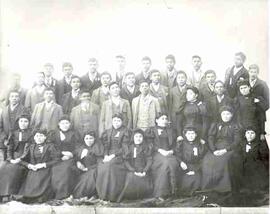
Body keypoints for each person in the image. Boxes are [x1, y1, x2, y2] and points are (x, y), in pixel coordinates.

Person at [201, 106, 241, 196]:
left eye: (228, 114)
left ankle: (223, 188)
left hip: (230, 148)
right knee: (207, 159)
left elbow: (237, 141)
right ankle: (209, 187)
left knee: (224, 160)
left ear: (232, 115)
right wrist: (213, 150)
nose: (225, 116)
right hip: (216, 148)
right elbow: (210, 137)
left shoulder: (236, 126)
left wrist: (225, 150)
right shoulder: (216, 125)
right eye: (223, 114)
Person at [96, 114, 131, 202]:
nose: (116, 123)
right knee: (102, 166)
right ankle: (102, 194)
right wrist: (105, 156)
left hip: (120, 155)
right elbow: (105, 146)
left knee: (110, 166)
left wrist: (112, 156)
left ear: (122, 122)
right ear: (112, 121)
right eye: (114, 120)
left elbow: (124, 148)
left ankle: (112, 195)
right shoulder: (108, 131)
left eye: (118, 121)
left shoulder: (126, 131)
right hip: (108, 155)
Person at [18, 129, 60, 203]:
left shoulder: (50, 146)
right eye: (37, 136)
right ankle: (29, 196)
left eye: (41, 136)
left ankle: (39, 196)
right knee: (31, 181)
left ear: (45, 137)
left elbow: (56, 160)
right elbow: (21, 160)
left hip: (45, 170)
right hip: (33, 170)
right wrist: (29, 165)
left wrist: (43, 165)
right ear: (34, 137)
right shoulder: (30, 147)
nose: (39, 138)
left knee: (41, 182)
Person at [145, 113, 180, 200]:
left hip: (169, 153)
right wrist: (160, 151)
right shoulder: (151, 130)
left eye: (165, 119)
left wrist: (172, 151)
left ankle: (173, 192)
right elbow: (150, 144)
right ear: (156, 120)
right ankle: (161, 193)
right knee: (166, 163)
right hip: (156, 153)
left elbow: (176, 145)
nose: (164, 121)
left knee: (173, 162)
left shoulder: (171, 130)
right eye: (162, 119)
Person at [0, 114, 32, 202]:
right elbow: (10, 148)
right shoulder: (14, 133)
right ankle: (1, 194)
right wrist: (10, 159)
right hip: (13, 158)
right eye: (21, 121)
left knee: (14, 170)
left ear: (29, 123)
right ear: (18, 122)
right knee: (3, 168)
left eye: (26, 121)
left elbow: (28, 149)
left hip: (24, 159)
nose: (23, 123)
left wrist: (20, 159)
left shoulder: (31, 133)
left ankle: (8, 193)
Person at [117, 128, 153, 202]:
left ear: (143, 138)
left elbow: (149, 159)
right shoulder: (130, 148)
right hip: (132, 169)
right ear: (133, 138)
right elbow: (126, 161)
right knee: (131, 179)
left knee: (145, 180)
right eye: (136, 137)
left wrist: (145, 170)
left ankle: (143, 196)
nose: (138, 139)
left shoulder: (146, 147)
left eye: (140, 137)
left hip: (143, 169)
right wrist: (132, 170)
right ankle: (131, 197)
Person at [49, 116, 79, 200]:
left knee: (66, 169)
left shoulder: (74, 134)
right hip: (57, 158)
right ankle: (56, 193)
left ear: (70, 124)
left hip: (70, 158)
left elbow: (78, 147)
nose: (65, 125)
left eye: (67, 123)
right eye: (62, 123)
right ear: (59, 124)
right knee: (55, 169)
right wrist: (61, 154)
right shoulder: (54, 133)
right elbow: (51, 147)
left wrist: (71, 154)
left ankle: (64, 194)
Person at [175, 127, 207, 196]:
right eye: (188, 134)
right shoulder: (181, 144)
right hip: (185, 166)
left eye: (193, 133)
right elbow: (177, 155)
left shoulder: (199, 144)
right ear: (185, 135)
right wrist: (181, 163)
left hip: (196, 167)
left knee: (197, 180)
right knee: (185, 182)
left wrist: (195, 170)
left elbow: (202, 158)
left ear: (196, 135)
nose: (191, 135)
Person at [0, 90, 29, 162]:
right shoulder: (4, 110)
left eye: (16, 96)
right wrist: (4, 138)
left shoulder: (24, 109)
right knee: (5, 161)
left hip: (18, 142)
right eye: (12, 96)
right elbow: (0, 126)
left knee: (16, 162)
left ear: (19, 98)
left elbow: (26, 125)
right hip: (5, 140)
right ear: (9, 98)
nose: (14, 98)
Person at [73, 131, 103, 200]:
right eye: (86, 138)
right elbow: (76, 158)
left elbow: (99, 163)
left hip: (93, 169)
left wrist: (88, 168)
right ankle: (78, 195)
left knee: (88, 177)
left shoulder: (97, 148)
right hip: (82, 169)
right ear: (84, 139)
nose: (88, 141)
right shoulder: (81, 148)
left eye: (91, 138)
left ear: (94, 139)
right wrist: (78, 162)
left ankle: (84, 196)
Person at [239, 127, 269, 194]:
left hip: (256, 165)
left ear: (256, 135)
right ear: (245, 135)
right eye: (248, 133)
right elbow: (239, 155)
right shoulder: (242, 144)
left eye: (252, 133)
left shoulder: (260, 144)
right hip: (244, 164)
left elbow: (263, 156)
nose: (249, 135)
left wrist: (250, 152)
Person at [248, 64, 269, 140]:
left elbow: (267, 103)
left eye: (255, 72)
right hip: (247, 114)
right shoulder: (245, 83)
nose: (253, 74)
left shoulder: (263, 84)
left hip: (259, 115)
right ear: (248, 72)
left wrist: (259, 102)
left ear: (258, 73)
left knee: (259, 138)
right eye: (251, 72)